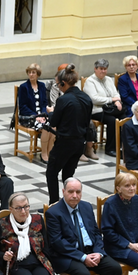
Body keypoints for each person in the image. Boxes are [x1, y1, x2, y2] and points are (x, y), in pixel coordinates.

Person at [44, 178, 123, 275]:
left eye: (78, 192)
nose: (75, 195)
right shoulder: (53, 212)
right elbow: (58, 243)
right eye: (71, 192)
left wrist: (98, 252)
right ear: (63, 192)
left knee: (114, 269)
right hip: (67, 255)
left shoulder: (86, 206)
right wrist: (83, 257)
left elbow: (96, 232)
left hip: (90, 251)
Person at [45, 64, 92, 205]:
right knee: (68, 174)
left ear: (63, 83)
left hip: (64, 142)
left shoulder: (63, 100)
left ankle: (54, 204)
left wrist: (51, 112)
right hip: (80, 143)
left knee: (52, 172)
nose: (58, 87)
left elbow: (54, 122)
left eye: (58, 84)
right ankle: (68, 203)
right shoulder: (86, 98)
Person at [83, 59, 125, 157]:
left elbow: (115, 94)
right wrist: (111, 100)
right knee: (112, 121)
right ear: (95, 69)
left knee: (124, 117)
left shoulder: (109, 79)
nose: (103, 71)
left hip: (110, 109)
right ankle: (110, 148)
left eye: (105, 69)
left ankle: (121, 145)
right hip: (96, 110)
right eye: (101, 69)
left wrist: (117, 101)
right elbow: (94, 99)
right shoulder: (90, 81)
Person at [19, 63, 56, 163]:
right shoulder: (23, 87)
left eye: (33, 72)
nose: (31, 74)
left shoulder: (42, 85)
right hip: (28, 117)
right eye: (29, 72)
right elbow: (23, 107)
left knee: (53, 126)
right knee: (46, 127)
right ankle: (43, 154)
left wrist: (43, 115)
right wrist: (36, 116)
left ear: (38, 74)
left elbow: (44, 103)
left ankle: (49, 152)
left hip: (41, 116)